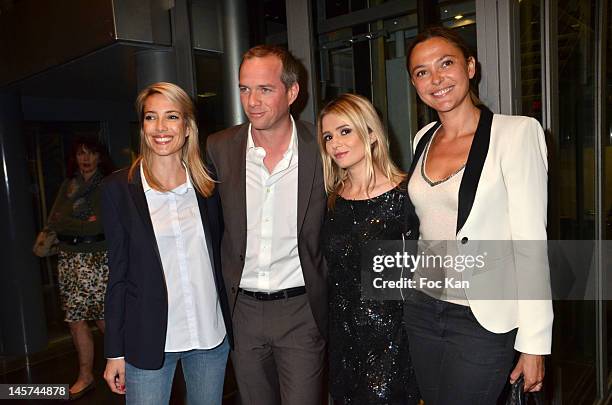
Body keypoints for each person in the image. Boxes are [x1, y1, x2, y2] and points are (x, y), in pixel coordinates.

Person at [402, 26, 553, 405]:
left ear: (470, 67)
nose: (435, 79)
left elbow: (531, 242)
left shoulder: (516, 133)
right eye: (422, 72)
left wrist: (534, 343)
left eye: (446, 63)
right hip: (423, 307)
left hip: (481, 318)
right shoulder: (423, 139)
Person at [206, 45, 327, 405]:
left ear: (292, 92)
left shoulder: (321, 146)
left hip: (301, 309)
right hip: (242, 310)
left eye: (265, 89)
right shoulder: (219, 147)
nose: (252, 101)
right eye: (245, 89)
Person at [101, 82, 232, 405]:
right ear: (142, 126)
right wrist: (114, 351)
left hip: (209, 335)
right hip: (148, 340)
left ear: (187, 127)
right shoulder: (118, 188)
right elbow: (117, 274)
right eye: (151, 117)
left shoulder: (208, 183)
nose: (160, 128)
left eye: (171, 117)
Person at [318, 93, 420, 405]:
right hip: (343, 341)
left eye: (345, 131)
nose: (335, 143)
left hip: (392, 342)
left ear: (372, 134)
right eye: (328, 136)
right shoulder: (332, 200)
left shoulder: (407, 194)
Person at [46, 137, 112, 400]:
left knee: (104, 319)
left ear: (99, 157)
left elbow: (97, 227)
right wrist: (74, 222)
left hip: (97, 259)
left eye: (91, 153)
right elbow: (54, 221)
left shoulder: (106, 185)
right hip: (69, 260)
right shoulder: (68, 185)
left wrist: (69, 221)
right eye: (81, 153)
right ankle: (85, 376)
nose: (85, 159)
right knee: (75, 321)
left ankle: (126, 367)